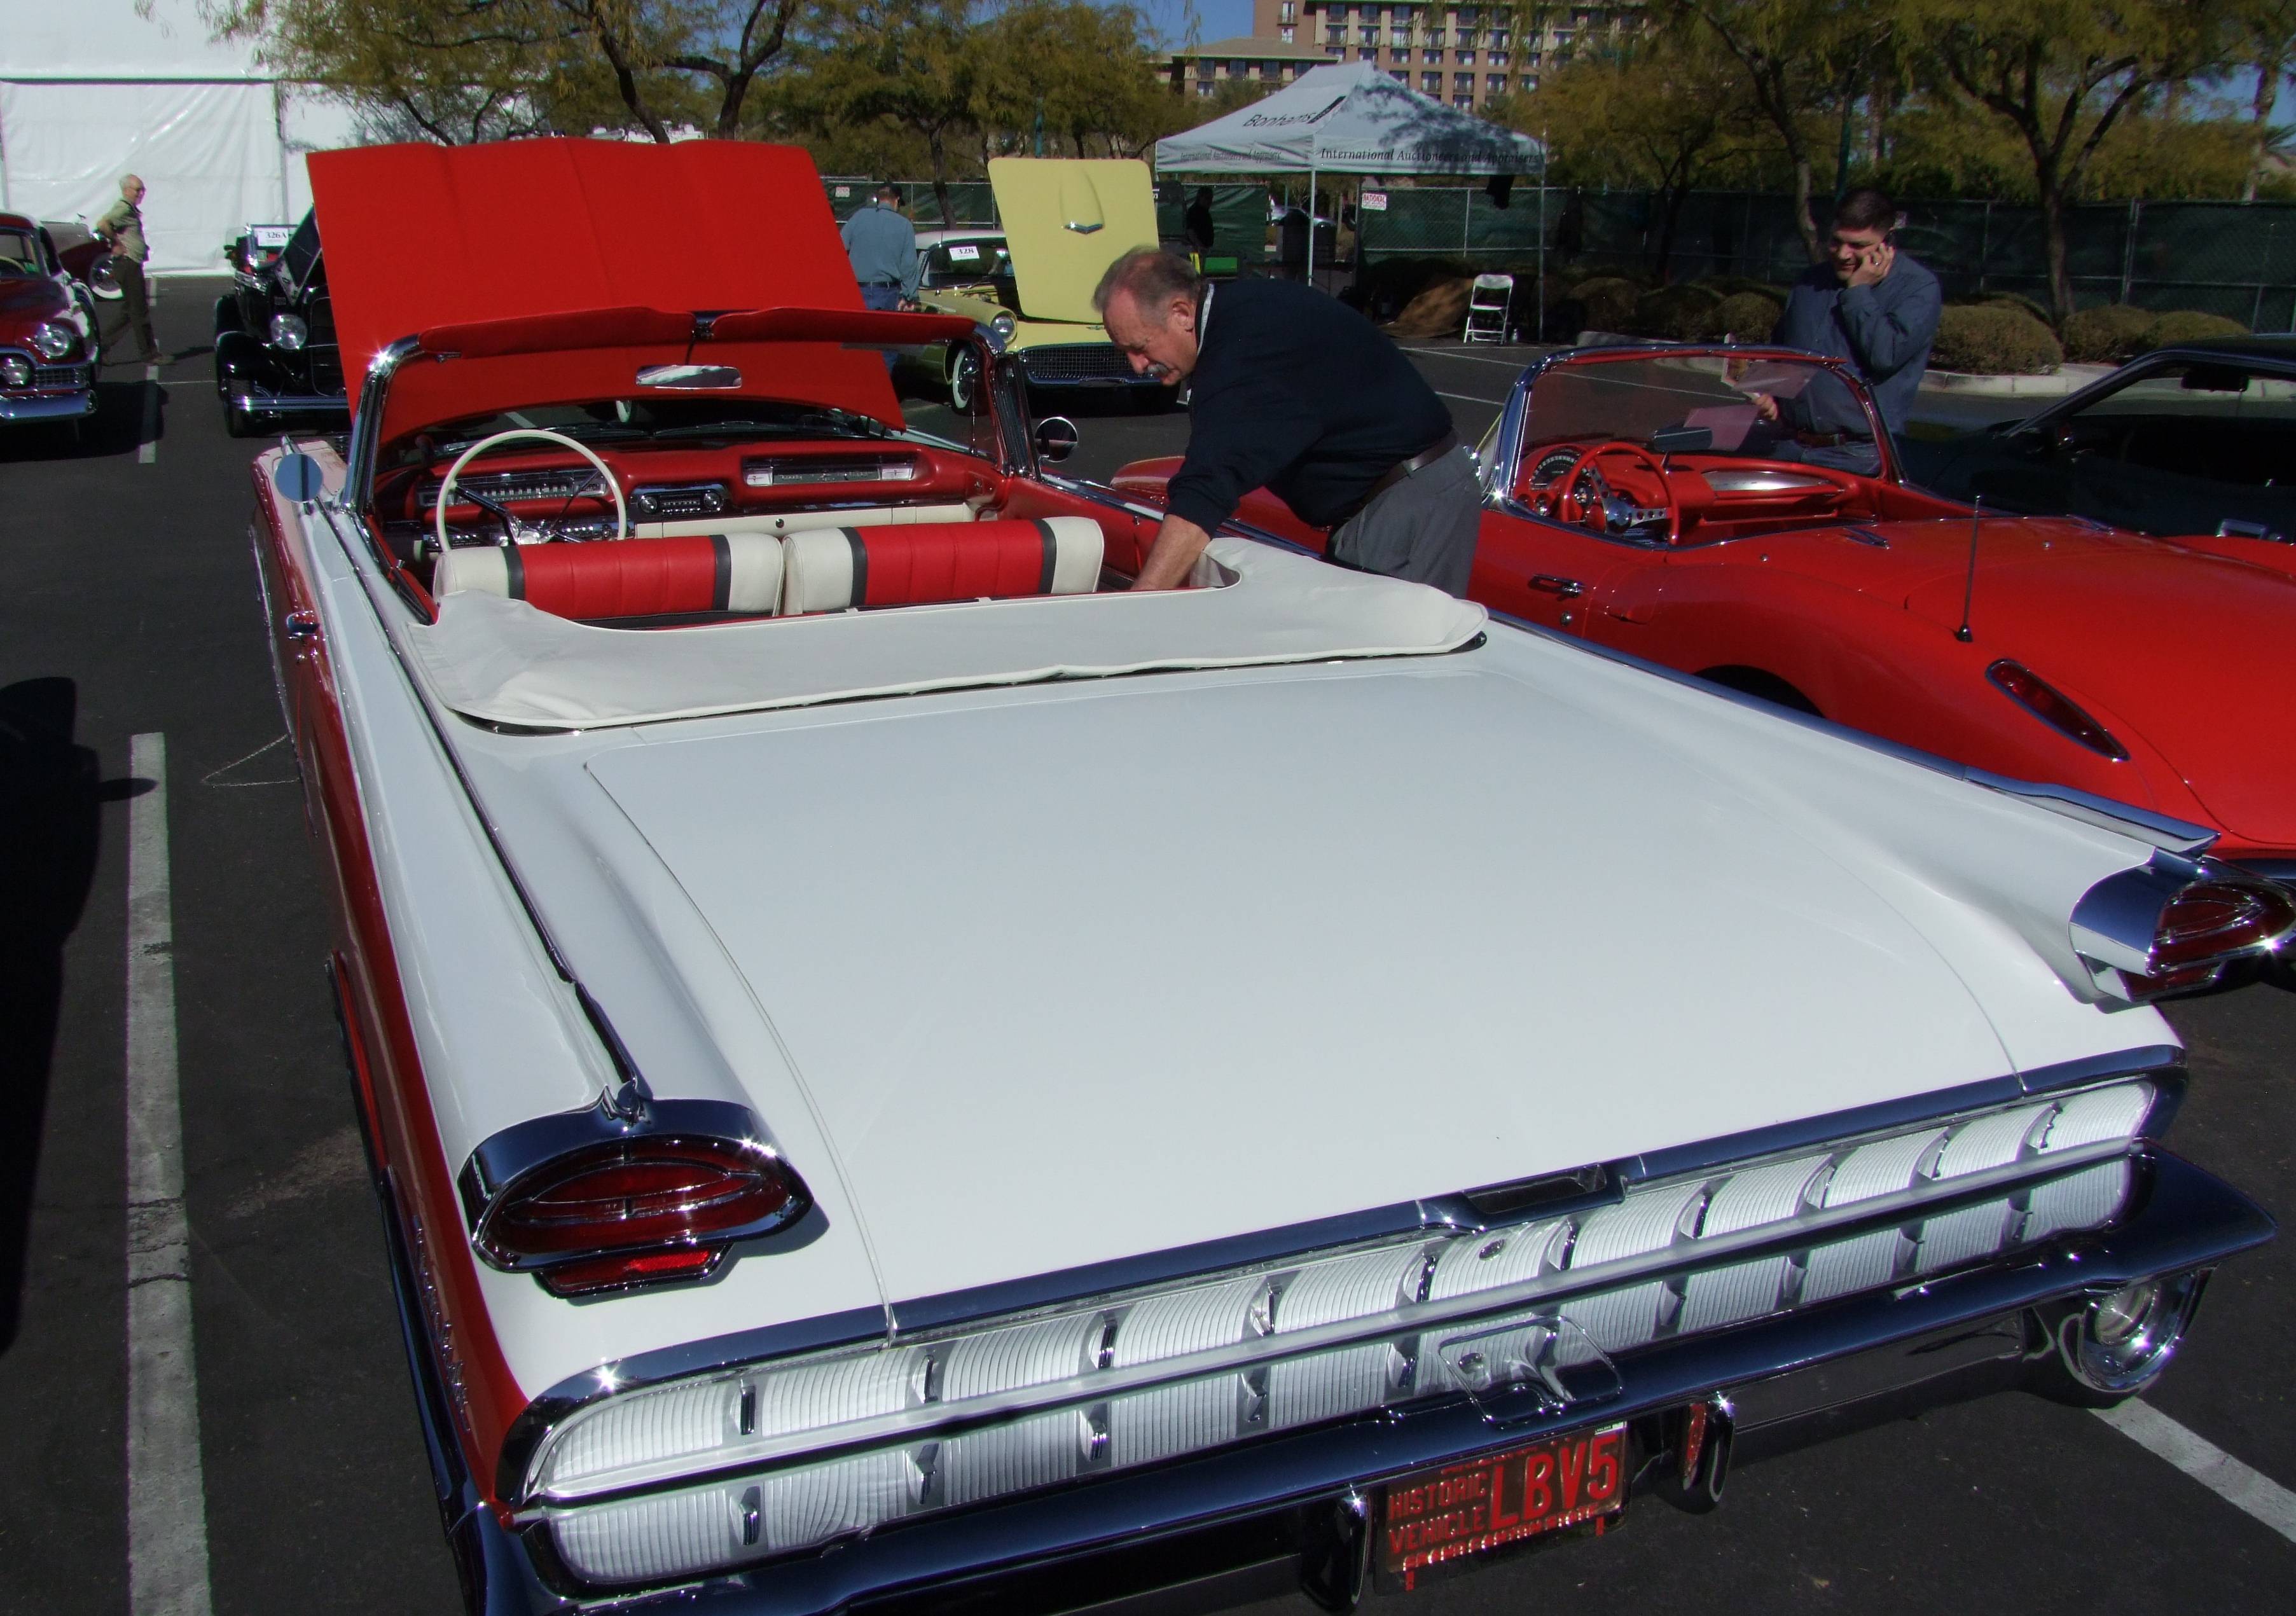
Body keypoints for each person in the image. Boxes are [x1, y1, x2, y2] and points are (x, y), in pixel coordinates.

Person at [1095, 249, 1479, 595]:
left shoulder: (1242, 352)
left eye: (1140, 347)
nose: (1138, 366)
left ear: (1181, 314)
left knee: (1391, 660)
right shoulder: (1243, 313)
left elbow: (1208, 487)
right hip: (1393, 497)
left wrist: (1142, 600)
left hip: (1406, 502)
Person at [1757, 187, 1941, 474]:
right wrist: (1767, 391)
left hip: (1858, 456)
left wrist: (1858, 291)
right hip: (1790, 446)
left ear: (1886, 242)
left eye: (1857, 246)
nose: (1843, 254)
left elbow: (1885, 355)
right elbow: (1783, 351)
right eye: (1836, 242)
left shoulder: (1917, 288)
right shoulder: (1810, 282)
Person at [93, 174, 158, 366]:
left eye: (142, 189)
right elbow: (103, 224)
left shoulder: (129, 209)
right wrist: (116, 241)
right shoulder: (122, 208)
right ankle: (150, 354)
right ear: (127, 190)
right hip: (127, 263)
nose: (141, 193)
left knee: (130, 310)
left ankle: (101, 345)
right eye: (138, 189)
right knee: (138, 311)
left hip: (131, 263)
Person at [841, 182, 920, 314]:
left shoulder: (859, 217)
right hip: (887, 293)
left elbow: (839, 248)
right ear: (897, 200)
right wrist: (909, 296)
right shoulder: (904, 226)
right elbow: (909, 266)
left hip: (856, 291)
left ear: (878, 199)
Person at [1182, 188, 1215, 255]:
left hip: (1204, 248)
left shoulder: (1205, 212)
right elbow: (1190, 231)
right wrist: (1199, 245)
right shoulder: (1194, 212)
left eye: (1211, 199)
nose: (1210, 201)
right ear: (1200, 198)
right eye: (1207, 198)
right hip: (1196, 250)